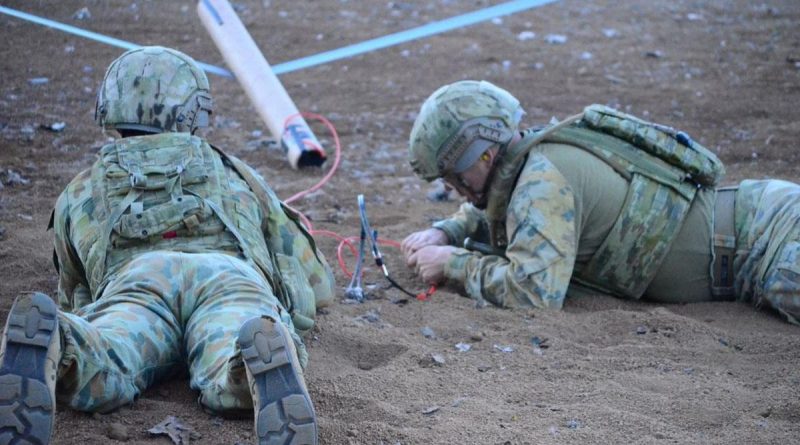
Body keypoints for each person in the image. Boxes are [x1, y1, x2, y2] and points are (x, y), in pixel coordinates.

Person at [0, 46, 335, 445]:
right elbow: (314, 281)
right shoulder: (233, 171)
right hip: (230, 278)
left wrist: (83, 314)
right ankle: (245, 363)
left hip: (139, 281)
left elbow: (75, 288)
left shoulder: (80, 190)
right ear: (195, 111)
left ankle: (65, 344)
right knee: (227, 349)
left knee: (112, 353)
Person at [402, 80, 800, 324]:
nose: (455, 189)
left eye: (456, 176)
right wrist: (446, 230)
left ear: (484, 155)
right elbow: (491, 206)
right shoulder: (530, 159)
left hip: (772, 245)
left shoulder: (541, 183)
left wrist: (453, 263)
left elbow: (533, 295)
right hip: (763, 231)